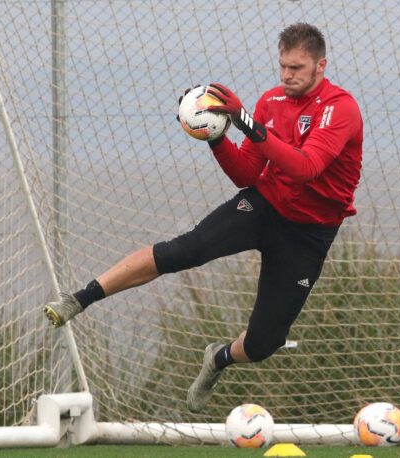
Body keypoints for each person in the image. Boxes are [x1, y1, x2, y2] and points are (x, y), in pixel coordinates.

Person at [43, 22, 363, 413]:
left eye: (296, 68)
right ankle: (78, 299)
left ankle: (219, 358)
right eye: (283, 66)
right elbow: (247, 173)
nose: (286, 75)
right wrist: (214, 135)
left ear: (320, 66)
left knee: (263, 344)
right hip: (264, 206)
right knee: (184, 250)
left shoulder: (340, 108)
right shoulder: (271, 102)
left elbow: (306, 167)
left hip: (308, 235)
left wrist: (246, 122)